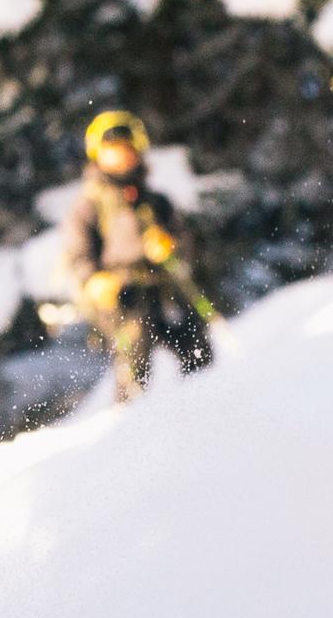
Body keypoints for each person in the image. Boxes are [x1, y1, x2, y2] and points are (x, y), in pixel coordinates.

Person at [58, 109, 215, 401]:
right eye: (112, 152)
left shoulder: (157, 202)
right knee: (135, 348)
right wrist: (93, 280)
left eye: (125, 151)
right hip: (121, 296)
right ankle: (128, 416)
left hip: (161, 286)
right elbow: (77, 253)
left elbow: (186, 245)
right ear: (98, 156)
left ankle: (205, 402)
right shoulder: (88, 206)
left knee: (194, 340)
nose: (120, 158)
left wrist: (171, 247)